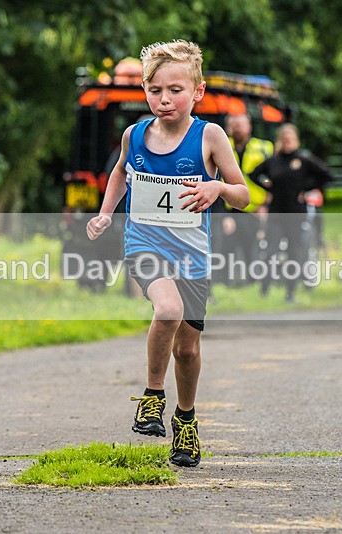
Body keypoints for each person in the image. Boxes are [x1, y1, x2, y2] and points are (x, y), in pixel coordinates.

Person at [86, 40, 249, 467]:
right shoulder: (134, 134)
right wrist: (105, 214)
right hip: (145, 243)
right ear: (145, 91)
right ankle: (153, 395)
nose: (164, 99)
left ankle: (186, 420)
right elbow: (121, 172)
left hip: (193, 255)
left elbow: (244, 196)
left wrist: (217, 188)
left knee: (188, 350)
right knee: (168, 309)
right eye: (155, 90)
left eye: (175, 90)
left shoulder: (210, 136)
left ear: (197, 91)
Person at [250, 123, 332, 302]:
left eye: (291, 139)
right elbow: (253, 174)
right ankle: (264, 288)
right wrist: (268, 188)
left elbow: (326, 175)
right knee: (271, 251)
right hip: (276, 213)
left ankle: (291, 292)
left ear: (296, 140)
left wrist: (307, 188)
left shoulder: (303, 159)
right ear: (280, 141)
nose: (287, 143)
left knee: (294, 252)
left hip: (295, 213)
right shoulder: (273, 161)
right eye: (284, 139)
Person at [217, 114, 274, 282]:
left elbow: (274, 178)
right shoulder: (221, 145)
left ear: (249, 126)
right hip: (227, 207)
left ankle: (252, 281)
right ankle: (225, 282)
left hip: (253, 207)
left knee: (251, 245)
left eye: (241, 124)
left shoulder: (264, 147)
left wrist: (266, 205)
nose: (237, 128)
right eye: (234, 125)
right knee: (226, 247)